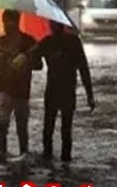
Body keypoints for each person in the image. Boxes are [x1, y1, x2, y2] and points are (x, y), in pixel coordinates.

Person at [24, 20, 95, 163]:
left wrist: (89, 95)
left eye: (54, 24)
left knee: (65, 129)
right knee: (48, 128)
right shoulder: (48, 42)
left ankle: (64, 159)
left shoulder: (73, 42)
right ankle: (48, 156)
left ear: (60, 25)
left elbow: (84, 68)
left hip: (67, 91)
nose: (52, 26)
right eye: (52, 23)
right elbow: (32, 55)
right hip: (53, 91)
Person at [0, 9, 43, 162]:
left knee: (22, 126)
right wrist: (4, 59)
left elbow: (39, 65)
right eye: (5, 22)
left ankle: (24, 153)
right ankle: (2, 155)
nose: (7, 26)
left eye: (10, 22)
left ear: (17, 22)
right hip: (5, 89)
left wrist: (26, 58)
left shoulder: (29, 42)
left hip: (22, 91)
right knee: (2, 125)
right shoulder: (1, 42)